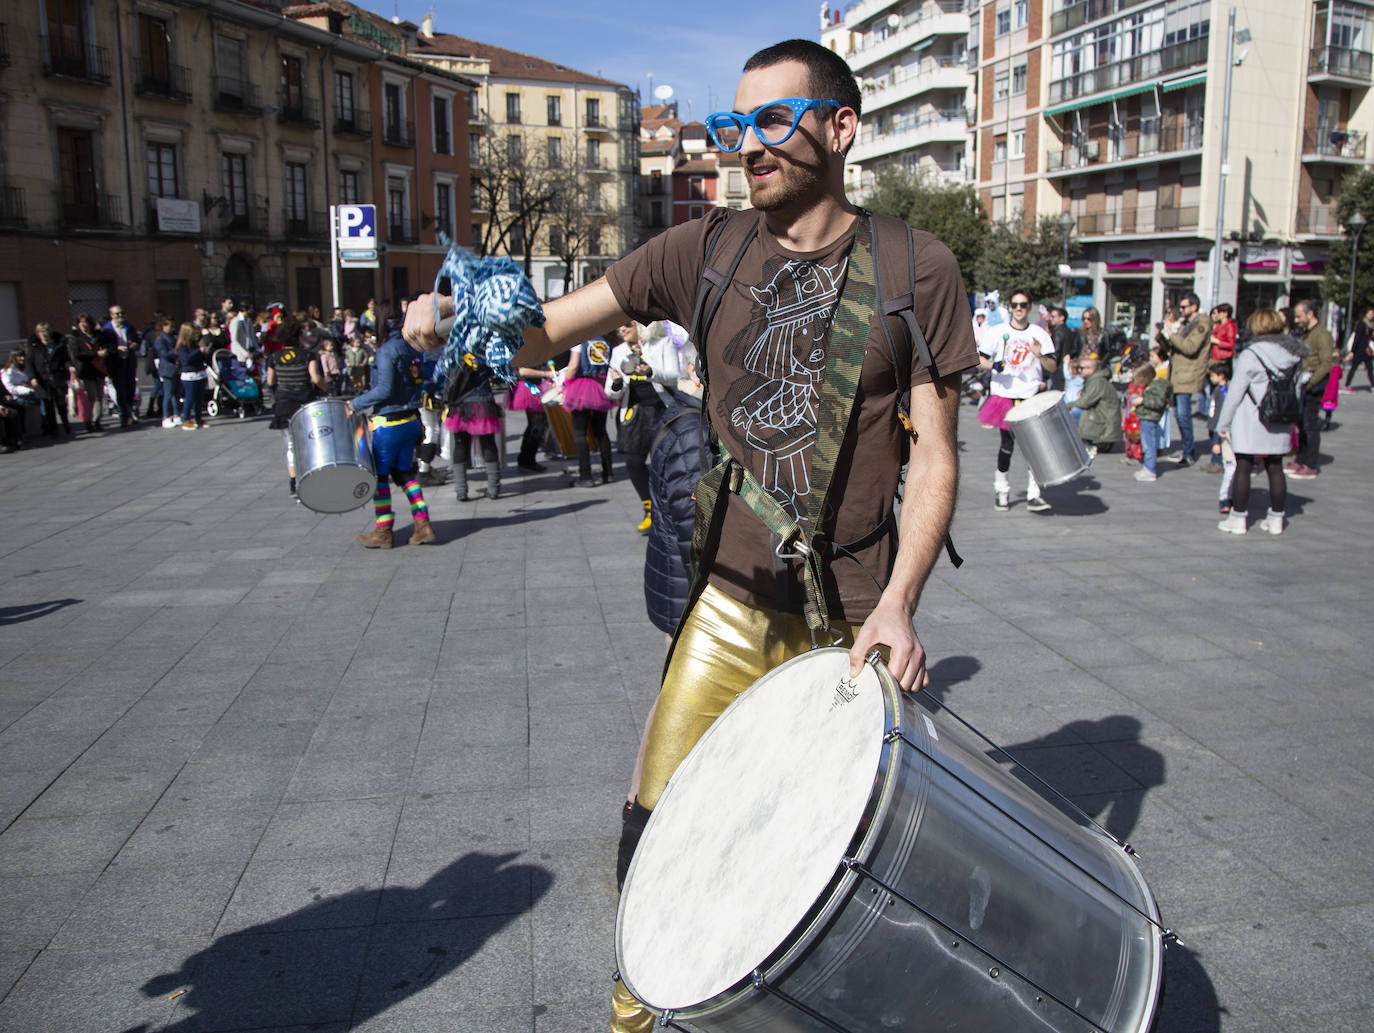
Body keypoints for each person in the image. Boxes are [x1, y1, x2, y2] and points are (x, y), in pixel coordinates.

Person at [402, 39, 973, 1033]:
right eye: (734, 125)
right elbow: (548, 330)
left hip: (850, 620)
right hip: (727, 601)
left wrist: (900, 601)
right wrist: (459, 317)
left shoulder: (917, 268)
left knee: (823, 848)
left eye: (772, 122)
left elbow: (935, 456)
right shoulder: (699, 249)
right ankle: (636, 1014)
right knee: (659, 820)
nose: (748, 145)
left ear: (841, 129)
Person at [347, 320, 437, 547]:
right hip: (411, 420)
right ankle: (422, 524)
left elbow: (384, 389)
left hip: (389, 424)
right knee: (406, 474)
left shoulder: (388, 351)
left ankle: (383, 530)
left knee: (379, 477)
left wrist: (355, 404)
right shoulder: (413, 350)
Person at [1216, 308, 1305, 535]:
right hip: (1280, 418)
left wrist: (1223, 424)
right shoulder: (1294, 354)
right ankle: (1276, 519)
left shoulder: (1251, 354)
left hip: (1252, 419)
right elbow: (1297, 390)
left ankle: (1238, 518)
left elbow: (1235, 393)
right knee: (1275, 468)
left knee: (1243, 467)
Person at [977, 287, 1057, 512]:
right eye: (1015, 305)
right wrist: (994, 365)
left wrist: (1039, 353)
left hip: (1030, 395)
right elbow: (978, 360)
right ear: (1010, 307)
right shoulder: (997, 331)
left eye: (1023, 305)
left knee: (1033, 446)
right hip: (1005, 396)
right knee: (1008, 444)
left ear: (1029, 307)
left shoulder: (1040, 334)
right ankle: (1001, 490)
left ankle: (1034, 494)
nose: (1019, 309)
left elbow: (1053, 366)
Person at [1155, 291, 1210, 467]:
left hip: (1188, 374)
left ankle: (1189, 453)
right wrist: (1163, 335)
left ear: (1194, 307)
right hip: (1178, 374)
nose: (1181, 310)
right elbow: (1172, 348)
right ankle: (1187, 451)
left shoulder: (1201, 324)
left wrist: (1172, 334)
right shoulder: (1187, 324)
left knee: (1183, 415)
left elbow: (1189, 347)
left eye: (1184, 307)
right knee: (1179, 415)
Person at [560, 337, 617, 486]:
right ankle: (608, 473)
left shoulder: (580, 339)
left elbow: (573, 366)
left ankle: (586, 476)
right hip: (603, 386)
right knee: (601, 432)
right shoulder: (607, 340)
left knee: (580, 433)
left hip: (583, 386)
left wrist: (564, 384)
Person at [1290, 298, 1335, 479]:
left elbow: (1326, 364)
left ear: (1310, 314)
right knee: (1301, 422)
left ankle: (1311, 462)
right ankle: (1301, 457)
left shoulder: (1322, 334)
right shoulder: (1307, 333)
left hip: (1313, 384)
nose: (1296, 320)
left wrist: (1310, 384)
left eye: (1299, 316)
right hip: (1303, 381)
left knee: (1310, 423)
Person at [1067, 352, 1121, 458]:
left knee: (1075, 412)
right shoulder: (1095, 380)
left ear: (1090, 369)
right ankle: (1083, 441)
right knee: (1077, 410)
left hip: (1106, 426)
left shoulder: (1097, 381)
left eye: (1081, 368)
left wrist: (1067, 405)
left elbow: (1085, 402)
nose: (1079, 371)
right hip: (1103, 418)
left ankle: (1085, 443)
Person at [509, 363, 556, 471]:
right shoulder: (525, 349)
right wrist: (546, 373)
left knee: (535, 424)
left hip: (532, 385)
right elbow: (522, 370)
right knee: (538, 424)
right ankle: (527, 459)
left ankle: (526, 459)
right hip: (527, 386)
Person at [1133, 358, 1172, 483]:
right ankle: (1147, 467)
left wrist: (1142, 401)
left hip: (1149, 418)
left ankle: (1150, 470)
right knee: (1147, 444)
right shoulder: (1153, 385)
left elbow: (1158, 403)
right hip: (1146, 417)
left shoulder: (1157, 386)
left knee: (1149, 445)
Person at [68, 313, 107, 433]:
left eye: (86, 323)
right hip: (86, 370)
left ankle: (97, 420)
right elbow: (77, 355)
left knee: (100, 396)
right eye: (81, 323)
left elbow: (106, 346)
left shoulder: (98, 335)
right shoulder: (76, 338)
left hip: (99, 369)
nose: (84, 325)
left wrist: (105, 352)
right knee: (92, 397)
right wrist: (95, 354)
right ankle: (89, 421)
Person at [1204, 360, 1235, 510]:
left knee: (1231, 470)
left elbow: (1219, 417)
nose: (1210, 378)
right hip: (1221, 430)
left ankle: (1227, 498)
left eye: (1213, 376)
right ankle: (1226, 498)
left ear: (1222, 376)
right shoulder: (1219, 390)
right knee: (1231, 469)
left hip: (1224, 432)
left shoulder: (1224, 392)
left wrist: (1216, 440)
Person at [25, 323, 63, 439]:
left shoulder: (57, 344)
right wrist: (32, 377)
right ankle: (53, 429)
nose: (44, 334)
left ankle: (65, 422)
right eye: (41, 331)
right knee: (48, 405)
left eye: (46, 331)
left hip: (56, 377)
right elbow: (29, 363)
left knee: (61, 403)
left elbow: (63, 359)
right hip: (43, 379)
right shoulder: (34, 346)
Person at [176, 322, 209, 429]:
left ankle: (198, 418)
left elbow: (200, 358)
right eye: (192, 333)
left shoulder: (195, 344)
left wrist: (204, 353)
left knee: (199, 398)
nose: (194, 335)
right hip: (189, 375)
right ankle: (186, 419)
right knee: (189, 398)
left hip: (200, 373)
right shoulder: (182, 347)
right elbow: (186, 360)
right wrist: (198, 351)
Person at [150, 317, 181, 427]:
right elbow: (164, 354)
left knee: (176, 394)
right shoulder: (160, 339)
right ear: (164, 326)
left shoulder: (174, 337)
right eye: (170, 326)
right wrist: (176, 350)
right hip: (167, 369)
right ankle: (166, 416)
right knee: (168, 394)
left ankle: (177, 415)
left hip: (176, 368)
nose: (173, 328)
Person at [1046, 305, 1079, 392]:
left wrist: (1050, 365)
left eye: (1053, 316)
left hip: (1058, 369)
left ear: (1062, 318)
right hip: (1066, 367)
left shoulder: (1058, 331)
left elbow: (1056, 351)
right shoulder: (1069, 330)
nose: (1050, 319)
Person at [1343, 305, 1374, 391]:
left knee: (1370, 369)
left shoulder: (1370, 325)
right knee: (1353, 368)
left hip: (1367, 351)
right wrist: (1352, 351)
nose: (1372, 315)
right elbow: (1356, 338)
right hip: (1359, 351)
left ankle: (1372, 385)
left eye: (1372, 314)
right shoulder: (1362, 324)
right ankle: (1346, 385)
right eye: (1370, 313)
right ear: (1366, 314)